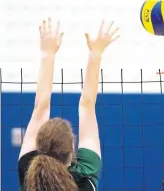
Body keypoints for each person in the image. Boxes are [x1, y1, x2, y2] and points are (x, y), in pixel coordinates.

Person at [17, 18, 120, 191]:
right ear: (72, 150)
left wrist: (47, 54)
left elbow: (40, 108)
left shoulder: (30, 173)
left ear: (39, 146)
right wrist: (96, 53)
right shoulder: (86, 173)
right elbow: (87, 106)